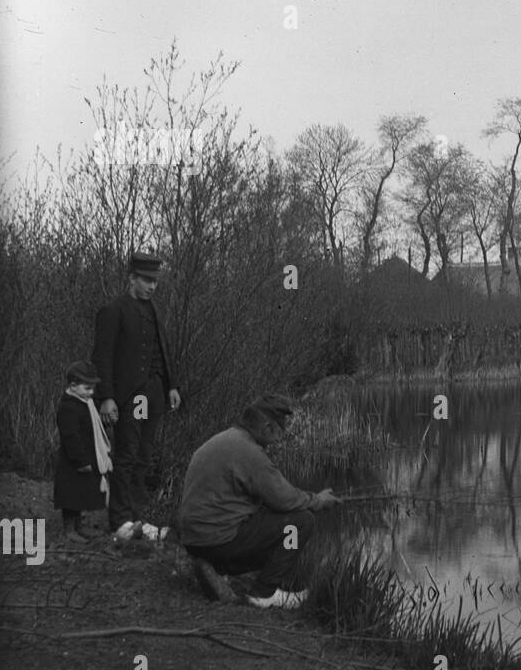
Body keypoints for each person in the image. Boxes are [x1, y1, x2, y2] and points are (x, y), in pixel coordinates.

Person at [177, 394, 340, 609]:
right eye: (279, 429)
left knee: (271, 522)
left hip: (194, 541)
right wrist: (319, 500)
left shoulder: (226, 439)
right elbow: (285, 499)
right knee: (300, 523)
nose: (281, 435)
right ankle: (264, 593)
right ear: (267, 427)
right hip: (218, 541)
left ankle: (216, 568)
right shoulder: (249, 452)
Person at [91, 251, 181, 532]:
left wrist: (172, 386)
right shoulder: (113, 310)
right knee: (126, 455)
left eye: (155, 281)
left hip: (154, 393)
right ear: (132, 278)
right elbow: (102, 356)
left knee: (144, 455)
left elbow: (163, 351)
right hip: (130, 395)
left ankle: (136, 514)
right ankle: (119, 520)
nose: (152, 286)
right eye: (146, 280)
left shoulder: (155, 310)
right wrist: (106, 397)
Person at [53, 360, 112, 542]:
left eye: (93, 388)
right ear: (73, 386)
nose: (92, 392)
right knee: (71, 496)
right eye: (87, 388)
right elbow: (71, 437)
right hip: (73, 462)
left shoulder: (86, 403)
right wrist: (80, 460)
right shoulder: (68, 407)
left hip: (87, 456)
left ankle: (79, 525)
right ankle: (69, 529)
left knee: (80, 495)